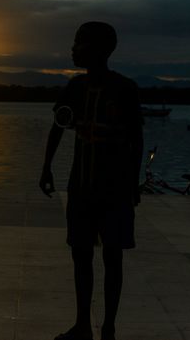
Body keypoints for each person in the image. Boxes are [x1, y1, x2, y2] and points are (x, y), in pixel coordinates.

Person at [39, 22, 143, 340]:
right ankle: (82, 324)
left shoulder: (124, 89)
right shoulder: (75, 88)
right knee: (81, 253)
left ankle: (108, 326)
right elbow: (59, 125)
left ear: (99, 49)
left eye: (79, 43)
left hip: (115, 188)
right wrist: (46, 167)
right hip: (81, 186)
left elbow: (136, 140)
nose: (73, 49)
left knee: (113, 256)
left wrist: (133, 183)